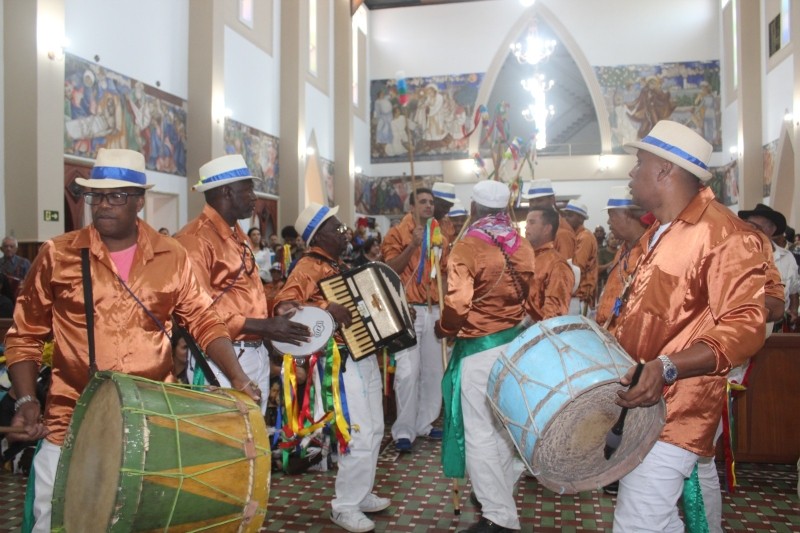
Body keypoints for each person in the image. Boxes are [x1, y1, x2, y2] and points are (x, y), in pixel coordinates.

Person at [4, 148, 261, 532]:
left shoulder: (171, 255)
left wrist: (238, 377)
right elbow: (24, 335)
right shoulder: (57, 256)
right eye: (97, 196)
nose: (104, 205)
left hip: (152, 422)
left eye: (117, 196)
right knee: (56, 522)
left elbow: (204, 321)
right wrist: (26, 399)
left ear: (140, 200)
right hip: (69, 420)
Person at [611, 120, 768, 532]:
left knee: (639, 522)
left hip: (676, 408)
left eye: (639, 162)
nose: (632, 173)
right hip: (643, 405)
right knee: (649, 521)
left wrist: (665, 366)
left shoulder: (723, 235)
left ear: (665, 170)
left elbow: (745, 327)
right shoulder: (659, 233)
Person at [272, 203, 389, 533]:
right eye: (337, 228)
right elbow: (284, 306)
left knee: (376, 428)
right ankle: (344, 505)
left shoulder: (336, 266)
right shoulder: (307, 266)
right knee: (359, 432)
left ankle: (361, 491)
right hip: (339, 362)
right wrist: (325, 307)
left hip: (361, 354)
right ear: (318, 236)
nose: (345, 232)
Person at [436, 180, 535, 533]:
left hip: (478, 350)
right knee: (504, 430)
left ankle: (498, 516)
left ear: (475, 209)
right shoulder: (521, 245)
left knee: (479, 432)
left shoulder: (468, 247)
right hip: (512, 348)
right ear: (506, 209)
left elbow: (458, 305)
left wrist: (444, 328)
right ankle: (499, 497)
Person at [175, 154, 310, 402]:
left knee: (253, 439)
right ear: (227, 192)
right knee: (224, 438)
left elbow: (242, 297)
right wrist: (263, 327)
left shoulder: (239, 235)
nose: (255, 198)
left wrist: (274, 310)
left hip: (254, 353)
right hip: (222, 359)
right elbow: (198, 313)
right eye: (248, 190)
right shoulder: (194, 240)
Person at [381, 187, 450, 452]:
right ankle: (404, 430)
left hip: (434, 308)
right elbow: (389, 270)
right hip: (407, 309)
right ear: (411, 206)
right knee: (408, 372)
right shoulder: (397, 233)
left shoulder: (439, 235)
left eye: (431, 202)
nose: (428, 206)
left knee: (434, 372)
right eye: (422, 201)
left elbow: (444, 272)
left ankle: (424, 423)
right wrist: (412, 244)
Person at [595, 187, 649, 333]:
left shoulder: (650, 251)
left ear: (627, 214)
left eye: (611, 215)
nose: (608, 222)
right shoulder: (623, 249)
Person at [738, 204, 799, 331]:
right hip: (746, 329)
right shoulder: (736, 256)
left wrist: (793, 312)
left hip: (779, 329)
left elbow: (794, 291)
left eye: (756, 227)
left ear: (772, 229)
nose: (750, 230)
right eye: (748, 224)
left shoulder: (787, 257)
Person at [523, 207, 574, 322]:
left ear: (547, 229)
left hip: (537, 334)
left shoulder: (557, 265)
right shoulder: (525, 258)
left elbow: (555, 314)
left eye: (532, 222)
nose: (526, 227)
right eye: (527, 222)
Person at [521, 179, 576, 260]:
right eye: (531, 201)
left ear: (552, 200)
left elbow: (563, 268)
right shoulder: (535, 230)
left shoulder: (562, 232)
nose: (534, 205)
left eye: (539, 200)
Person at [561, 201, 598, 315]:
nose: (566, 218)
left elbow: (576, 269)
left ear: (581, 219)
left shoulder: (585, 237)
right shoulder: (574, 236)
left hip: (578, 299)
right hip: (573, 298)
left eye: (570, 215)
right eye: (566, 215)